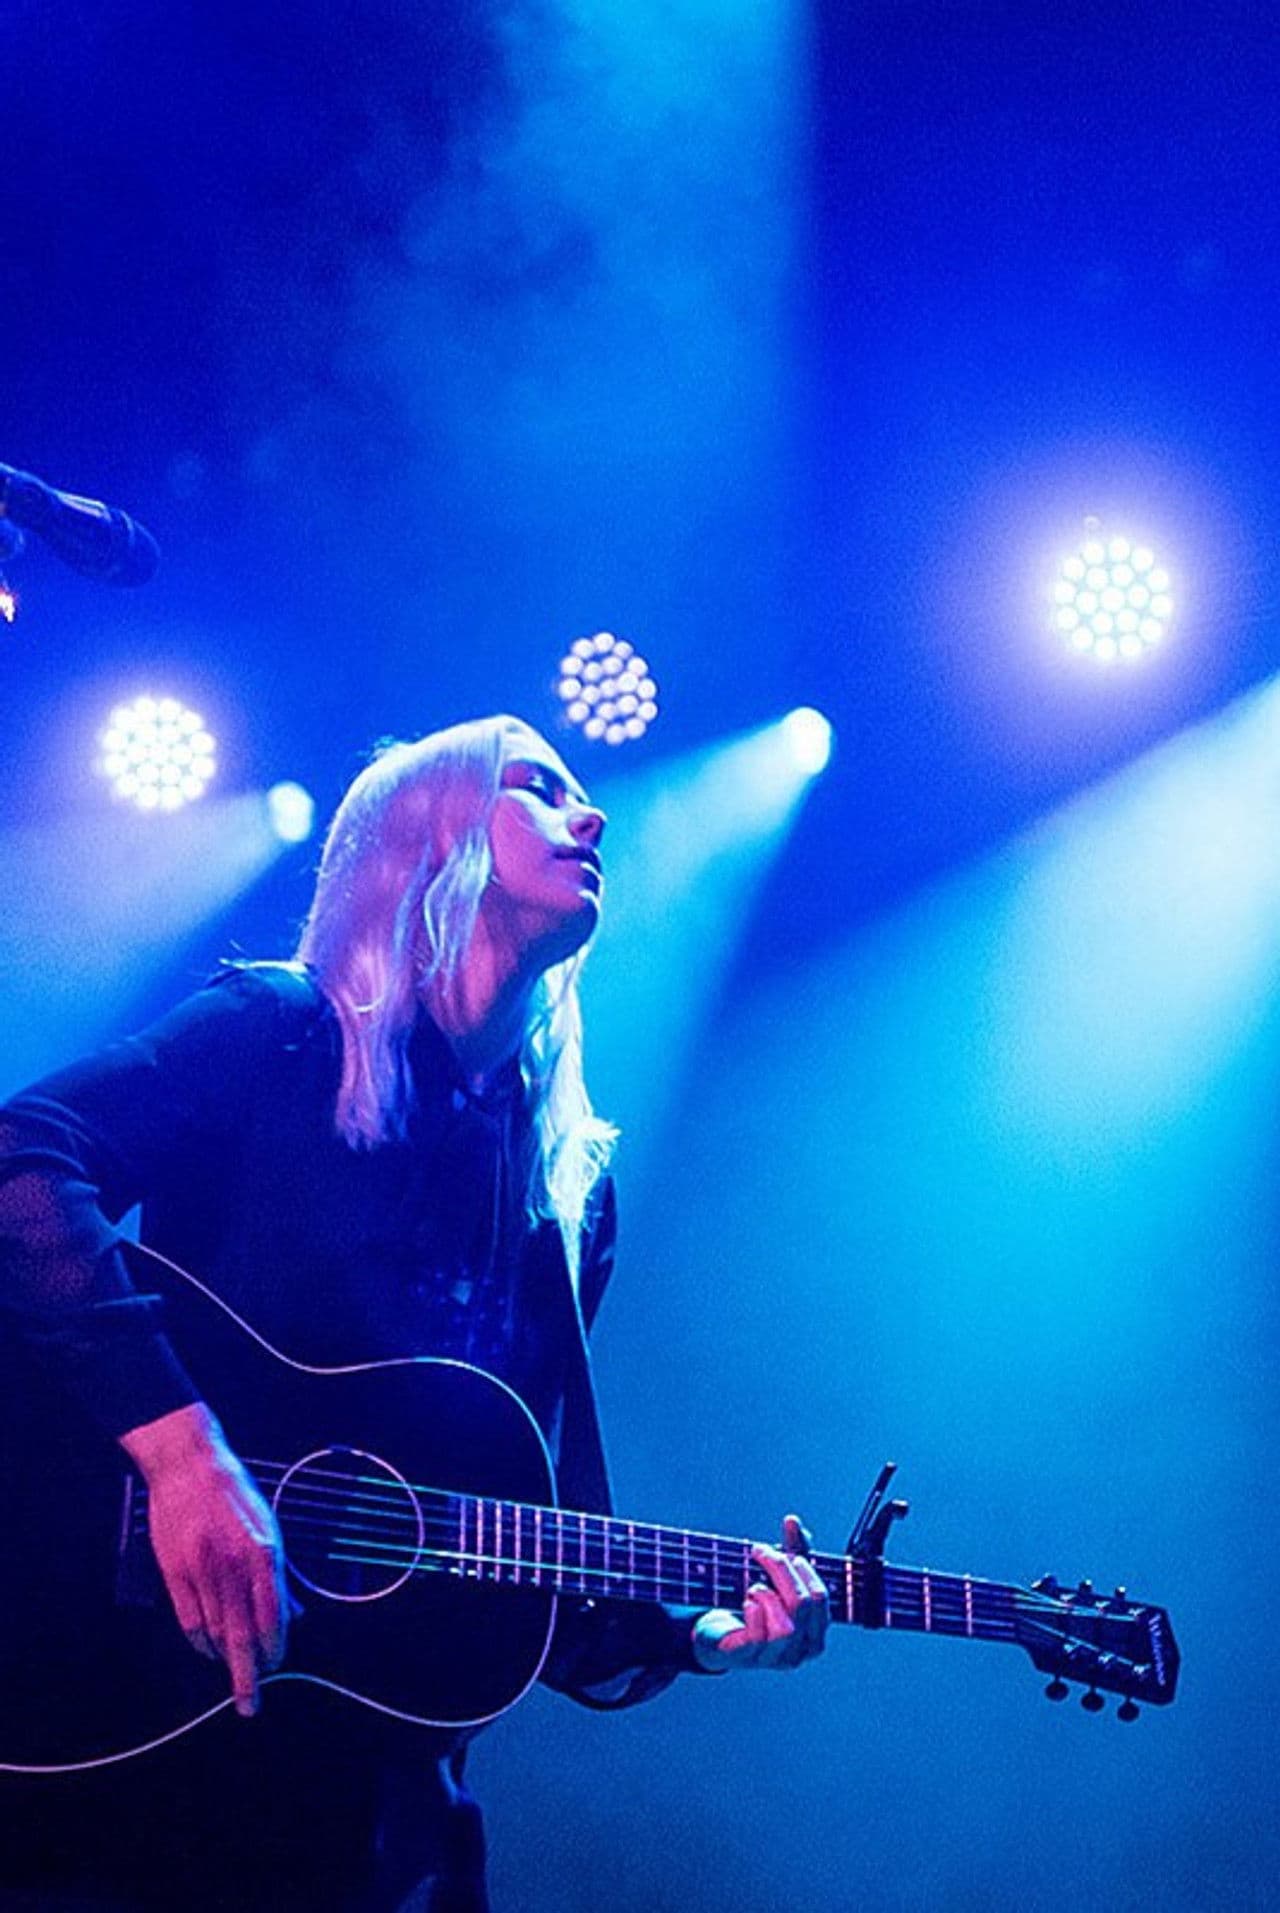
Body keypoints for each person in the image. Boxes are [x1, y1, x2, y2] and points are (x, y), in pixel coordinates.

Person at [0, 714, 827, 1912]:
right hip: (123, 1746)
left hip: (370, 1828)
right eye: (537, 789)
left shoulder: (564, 1195)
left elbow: (508, 1549)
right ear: (421, 840)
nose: (589, 818)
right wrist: (182, 1455)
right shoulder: (275, 1034)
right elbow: (25, 1161)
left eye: (585, 798)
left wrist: (704, 1633)